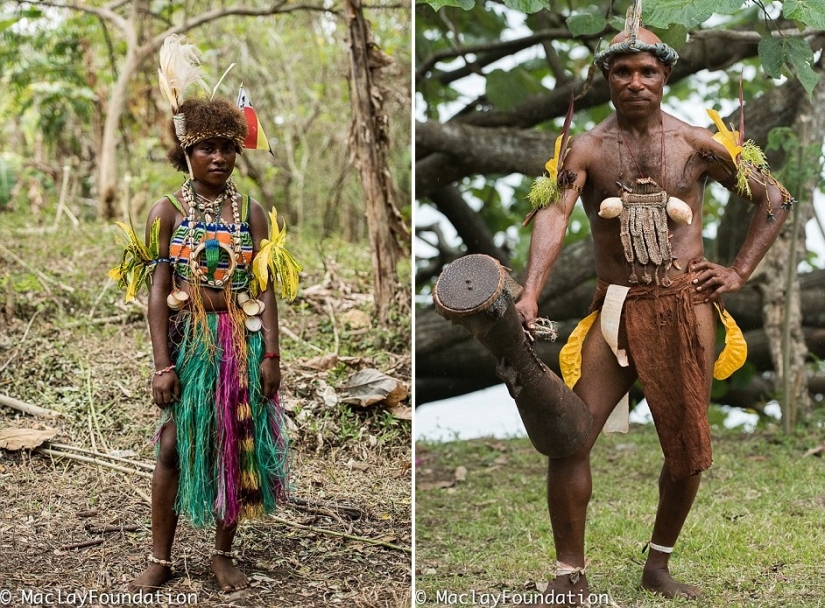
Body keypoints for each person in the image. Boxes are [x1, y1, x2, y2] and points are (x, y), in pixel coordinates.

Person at [514, 26, 793, 606]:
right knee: (571, 438)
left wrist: (737, 272)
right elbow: (554, 215)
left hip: (686, 306)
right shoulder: (586, 148)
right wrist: (530, 292)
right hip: (616, 307)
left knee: (687, 450)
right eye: (622, 72)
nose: (635, 82)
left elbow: (776, 199)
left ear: (665, 77)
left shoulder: (697, 144)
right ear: (607, 79)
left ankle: (658, 564)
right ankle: (569, 573)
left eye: (647, 71)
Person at [110, 85, 300, 590]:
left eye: (227, 148)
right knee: (172, 446)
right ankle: (160, 559)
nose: (218, 157)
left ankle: (221, 553)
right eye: (205, 148)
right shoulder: (166, 212)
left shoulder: (251, 213)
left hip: (242, 341)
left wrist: (272, 355)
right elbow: (157, 293)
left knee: (235, 444)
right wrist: (162, 364)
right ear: (185, 153)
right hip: (190, 344)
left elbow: (265, 287)